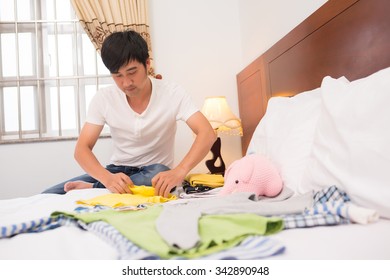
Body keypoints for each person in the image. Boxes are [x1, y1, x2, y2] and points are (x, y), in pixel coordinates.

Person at [42, 30, 216, 197]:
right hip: (116, 171)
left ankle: (94, 188)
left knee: (160, 174)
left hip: (153, 170)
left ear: (147, 64)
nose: (126, 83)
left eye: (132, 72)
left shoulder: (172, 93)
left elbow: (207, 133)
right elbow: (81, 150)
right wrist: (107, 179)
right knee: (50, 194)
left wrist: (180, 171)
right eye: (117, 76)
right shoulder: (104, 98)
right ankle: (102, 186)